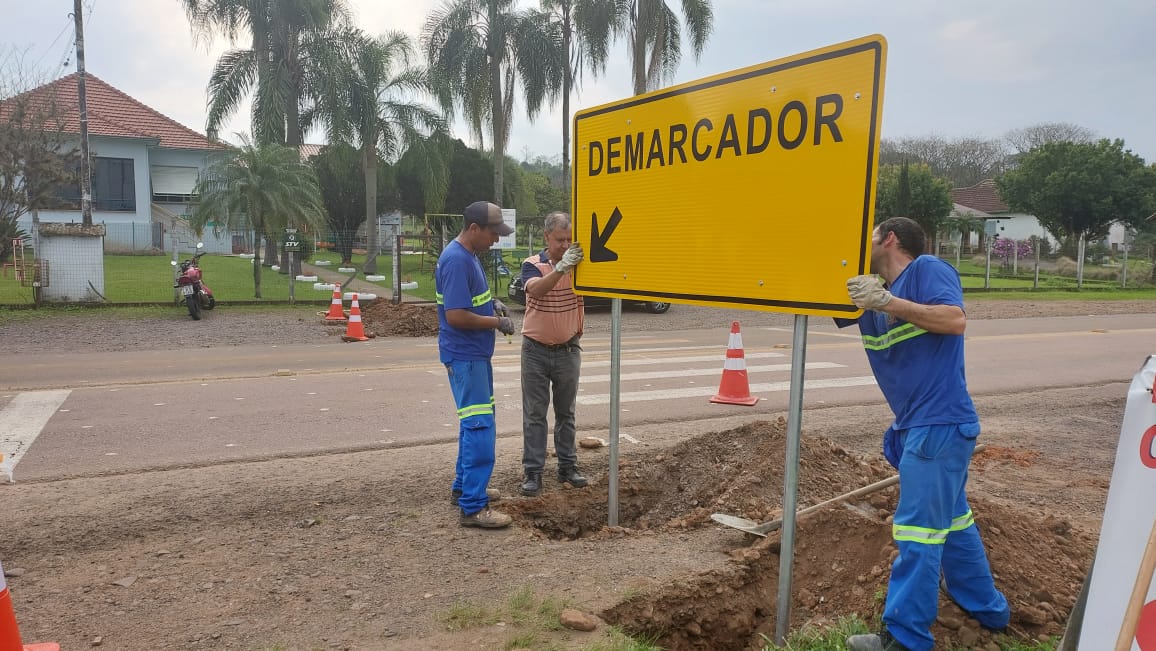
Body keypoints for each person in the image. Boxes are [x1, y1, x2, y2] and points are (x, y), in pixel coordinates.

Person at [840, 217, 1010, 651]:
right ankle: (989, 610)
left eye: (870, 235)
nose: (862, 243)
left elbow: (954, 319)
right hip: (921, 427)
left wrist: (888, 301)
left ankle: (905, 638)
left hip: (939, 425)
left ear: (890, 239)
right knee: (953, 523)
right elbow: (811, 297)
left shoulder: (927, 270)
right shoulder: (867, 292)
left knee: (918, 533)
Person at [436, 201, 518, 529]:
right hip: (466, 357)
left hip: (474, 357)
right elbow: (456, 315)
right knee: (480, 427)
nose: (496, 240)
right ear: (473, 229)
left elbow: (469, 300)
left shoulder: (468, 255)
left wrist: (491, 303)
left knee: (472, 425)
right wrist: (495, 324)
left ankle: (465, 488)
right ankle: (473, 506)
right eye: (493, 233)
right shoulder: (457, 259)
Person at [517, 212, 587, 496]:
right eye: (560, 240)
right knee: (535, 414)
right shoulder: (532, 265)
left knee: (566, 412)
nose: (565, 245)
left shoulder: (581, 265)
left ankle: (567, 467)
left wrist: (571, 264)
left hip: (568, 349)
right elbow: (536, 292)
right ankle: (533, 472)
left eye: (569, 239)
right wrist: (561, 268)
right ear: (546, 237)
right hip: (535, 350)